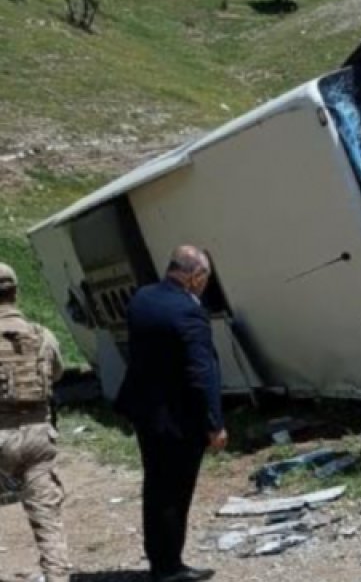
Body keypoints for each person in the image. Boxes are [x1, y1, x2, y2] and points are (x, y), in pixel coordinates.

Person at [116, 246, 225, 582]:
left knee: (156, 486)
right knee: (176, 491)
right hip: (178, 418)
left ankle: (159, 559)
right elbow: (200, 372)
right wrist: (214, 423)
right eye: (204, 279)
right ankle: (170, 567)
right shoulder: (189, 312)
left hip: (145, 411)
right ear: (195, 276)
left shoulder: (142, 299)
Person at [0, 262, 72, 582]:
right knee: (47, 521)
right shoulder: (42, 335)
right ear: (16, 292)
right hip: (38, 434)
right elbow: (56, 373)